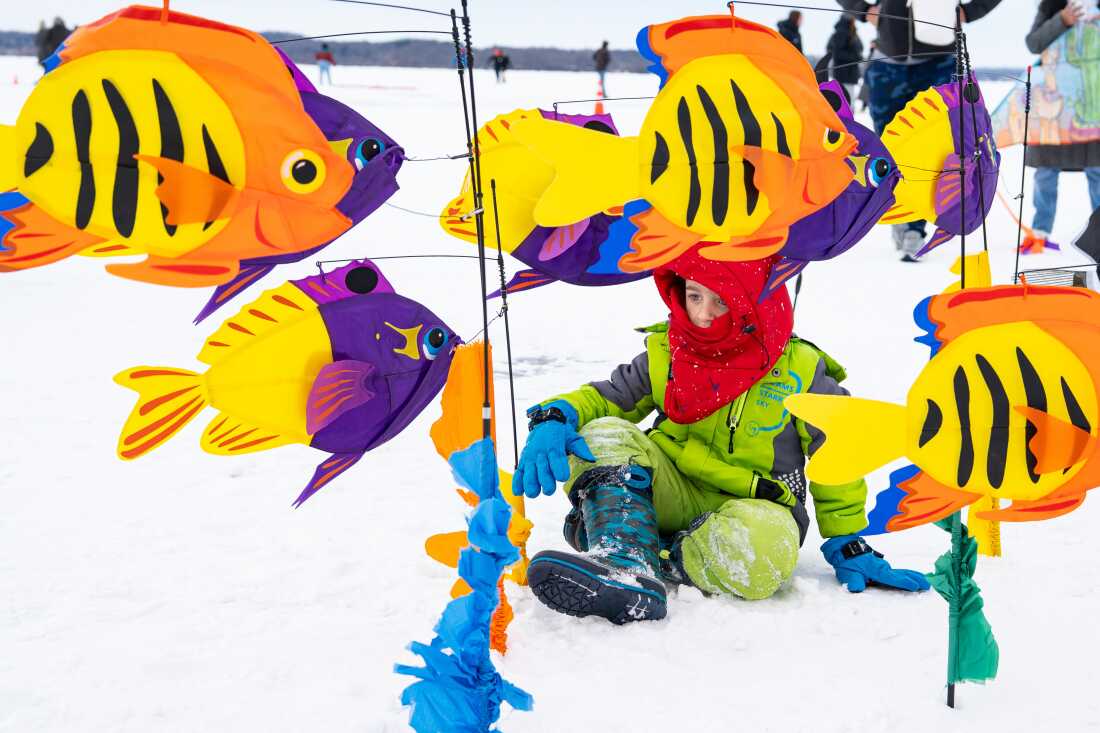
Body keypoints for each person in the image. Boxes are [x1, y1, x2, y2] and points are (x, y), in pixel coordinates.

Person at [518, 253, 930, 625]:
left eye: (721, 301)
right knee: (601, 434)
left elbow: (836, 443)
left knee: (767, 552)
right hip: (671, 486)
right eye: (694, 296)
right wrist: (555, 416)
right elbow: (609, 398)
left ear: (755, 303)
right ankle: (624, 557)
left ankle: (643, 548)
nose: (702, 314)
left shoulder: (800, 367)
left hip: (751, 506)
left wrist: (846, 538)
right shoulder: (670, 348)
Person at [838, 0, 1002, 262]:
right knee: (890, 150)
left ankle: (915, 226)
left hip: (940, 62)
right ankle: (901, 215)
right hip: (887, 63)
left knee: (936, 148)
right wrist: (863, 9)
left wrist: (969, 12)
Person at [1021, 0, 1100, 252]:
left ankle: (1098, 233)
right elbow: (1033, 43)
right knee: (1045, 169)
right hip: (1054, 101)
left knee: (1097, 169)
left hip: (1092, 102)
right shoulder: (1052, 4)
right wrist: (1062, 20)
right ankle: (1039, 233)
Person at [828, 15, 864, 102]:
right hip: (844, 74)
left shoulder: (852, 32)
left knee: (849, 102)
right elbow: (837, 53)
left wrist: (858, 56)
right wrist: (855, 57)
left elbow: (860, 48)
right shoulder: (841, 32)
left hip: (850, 73)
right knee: (845, 103)